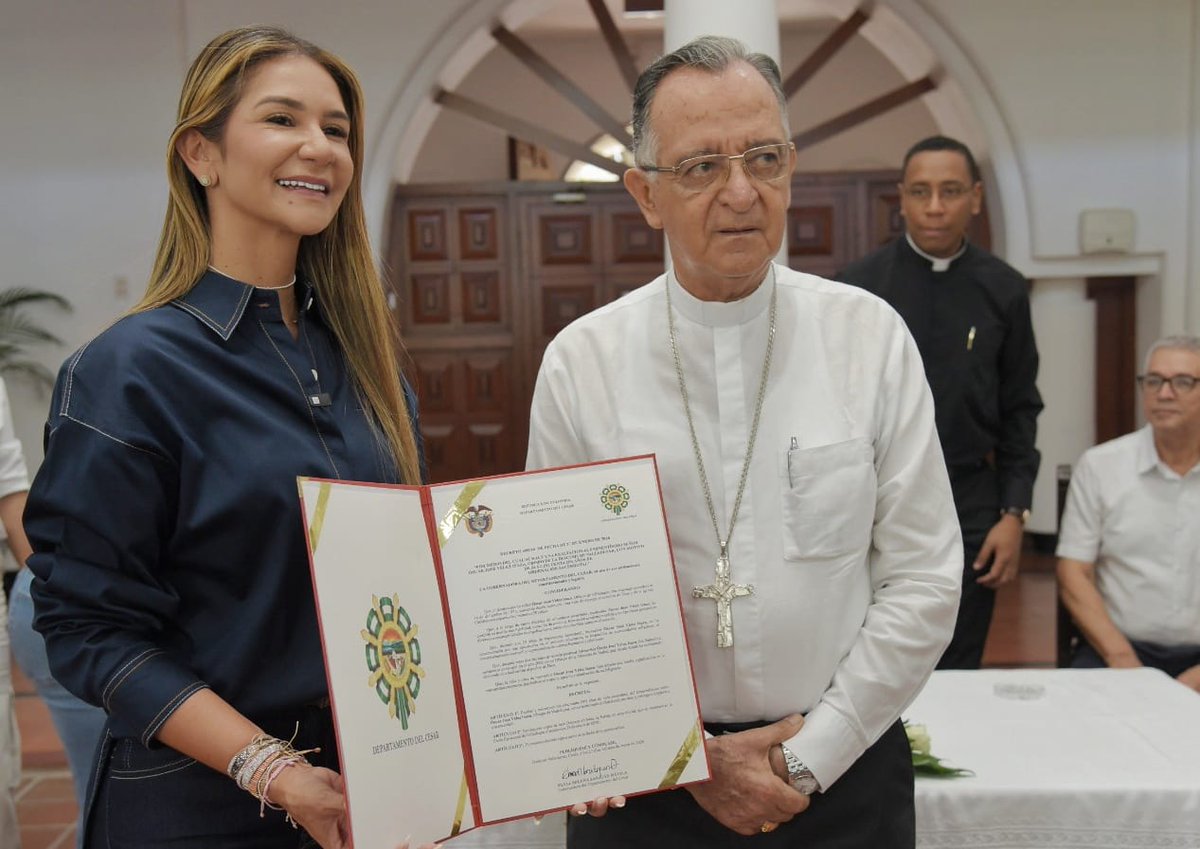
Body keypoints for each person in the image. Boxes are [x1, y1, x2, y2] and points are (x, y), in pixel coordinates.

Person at [526, 36, 961, 848]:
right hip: (649, 789)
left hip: (841, 773)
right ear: (645, 195)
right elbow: (561, 604)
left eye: (764, 159)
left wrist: (807, 757)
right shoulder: (581, 363)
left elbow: (925, 578)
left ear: (790, 167)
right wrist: (686, 759)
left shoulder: (868, 338)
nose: (741, 192)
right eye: (700, 167)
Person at [24, 26, 432, 848]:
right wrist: (268, 766)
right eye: (283, 119)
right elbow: (84, 628)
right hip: (201, 804)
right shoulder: (125, 372)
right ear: (201, 155)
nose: (319, 147)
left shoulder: (369, 367)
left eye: (338, 129)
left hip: (362, 787)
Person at [839, 135, 1043, 670]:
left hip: (970, 500)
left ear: (974, 198)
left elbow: (1022, 406)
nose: (934, 207)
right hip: (875, 501)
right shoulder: (857, 291)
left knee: (959, 660)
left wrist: (1014, 513)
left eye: (950, 191)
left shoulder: (1004, 289)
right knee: (873, 661)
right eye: (921, 192)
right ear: (901, 198)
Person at [1057, 336, 1200, 691]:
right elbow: (1073, 571)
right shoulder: (1102, 466)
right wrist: (1123, 660)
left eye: (1182, 382)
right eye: (1153, 381)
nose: (1164, 394)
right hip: (1117, 651)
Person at [1, 374, 108, 843]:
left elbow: (11, 495)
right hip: (63, 600)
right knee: (106, 795)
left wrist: (48, 592)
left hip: (54, 594)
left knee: (98, 790)